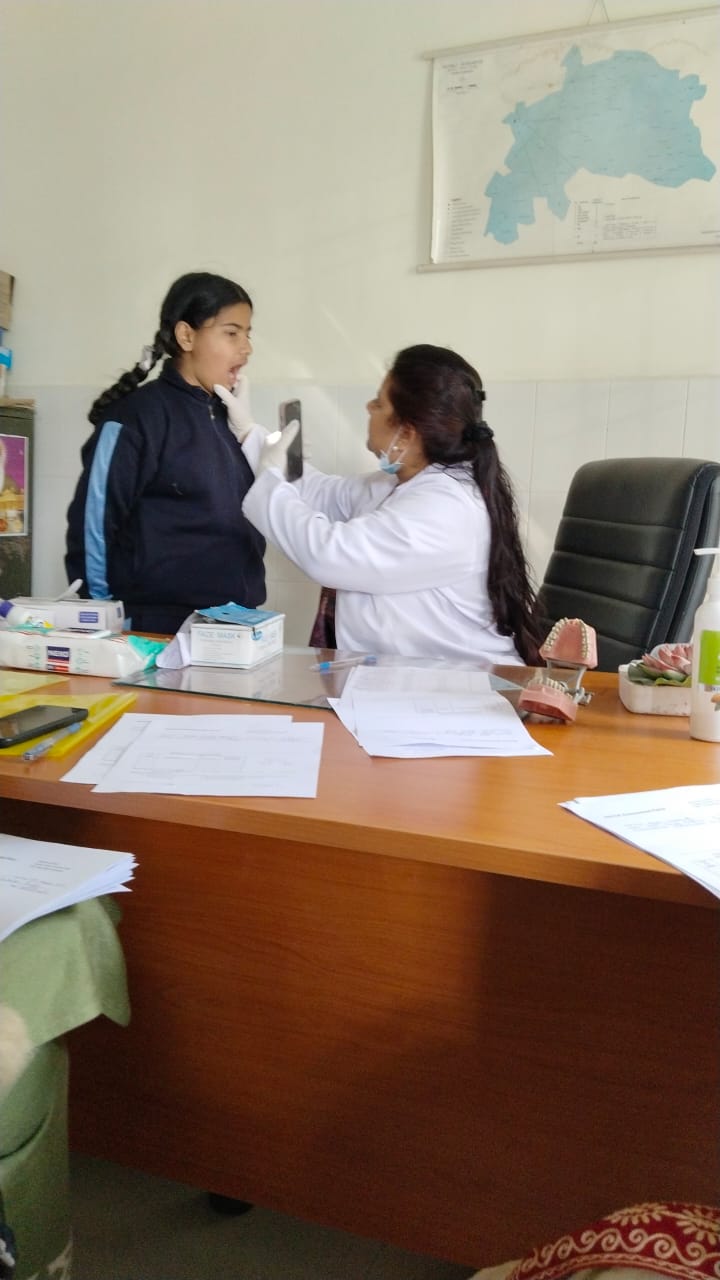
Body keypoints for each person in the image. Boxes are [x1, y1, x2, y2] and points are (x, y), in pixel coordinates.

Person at [243, 343, 542, 665]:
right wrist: (251, 434)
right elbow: (324, 494)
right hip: (410, 677)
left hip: (458, 682)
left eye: (379, 403)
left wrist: (271, 479)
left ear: (406, 433)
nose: (369, 407)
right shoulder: (404, 483)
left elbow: (328, 555)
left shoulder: (445, 508)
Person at [66, 271, 268, 634]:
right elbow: (93, 526)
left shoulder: (227, 418)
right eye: (232, 333)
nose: (247, 348)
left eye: (247, 334)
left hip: (232, 624)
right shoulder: (137, 417)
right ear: (186, 336)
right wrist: (104, 620)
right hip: (155, 629)